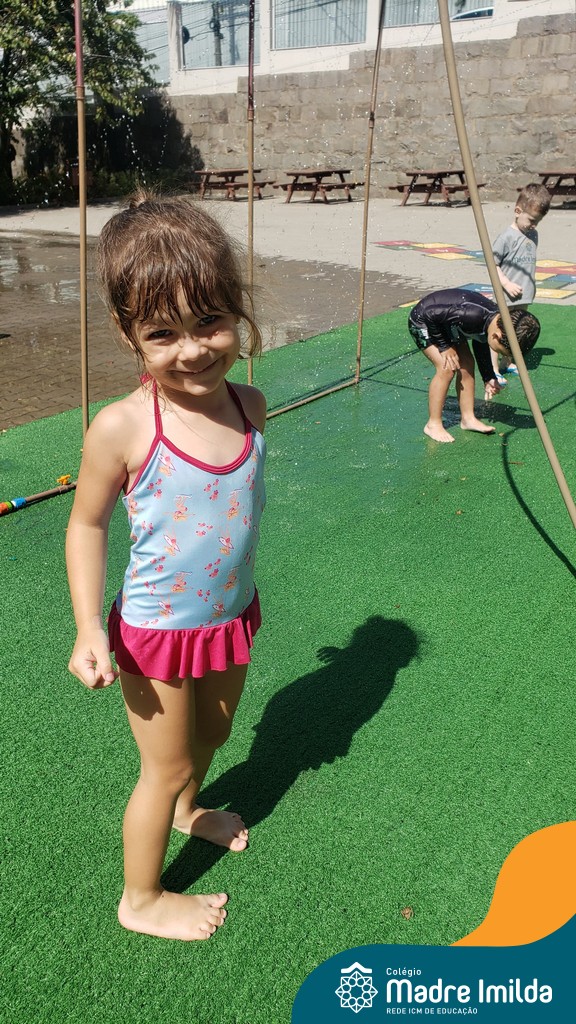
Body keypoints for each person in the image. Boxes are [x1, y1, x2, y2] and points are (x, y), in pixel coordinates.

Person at [66, 192, 267, 941]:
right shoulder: (122, 427)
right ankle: (141, 898)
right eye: (163, 333)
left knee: (213, 735)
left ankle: (189, 812)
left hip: (228, 617)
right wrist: (90, 627)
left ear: (237, 310)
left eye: (210, 321)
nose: (193, 350)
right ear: (130, 336)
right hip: (156, 632)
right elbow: (86, 525)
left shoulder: (251, 404)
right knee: (165, 764)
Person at [408, 288, 540, 444]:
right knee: (447, 368)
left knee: (467, 363)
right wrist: (444, 347)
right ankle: (433, 424)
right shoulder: (472, 315)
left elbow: (481, 343)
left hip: (448, 324)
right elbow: (431, 313)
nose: (500, 354)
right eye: (501, 352)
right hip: (424, 320)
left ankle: (468, 419)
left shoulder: (493, 324)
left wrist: (488, 377)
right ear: (496, 336)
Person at [490, 183, 551, 383]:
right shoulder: (506, 237)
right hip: (506, 294)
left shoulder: (533, 234)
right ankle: (493, 369)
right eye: (532, 220)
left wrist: (531, 285)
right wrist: (506, 284)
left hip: (523, 294)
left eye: (538, 221)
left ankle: (507, 361)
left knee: (516, 332)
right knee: (499, 330)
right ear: (517, 211)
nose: (534, 225)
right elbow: (492, 263)